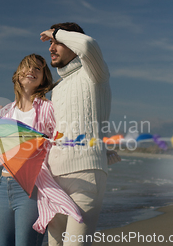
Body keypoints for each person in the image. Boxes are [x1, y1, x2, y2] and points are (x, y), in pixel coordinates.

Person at [0, 54, 76, 246]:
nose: (32, 70)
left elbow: (63, 140)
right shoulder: (7, 112)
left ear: (44, 78)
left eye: (38, 68)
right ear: (17, 75)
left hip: (32, 189)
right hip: (3, 187)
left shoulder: (48, 109)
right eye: (27, 67)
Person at [40, 22, 120, 245]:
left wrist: (56, 32)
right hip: (53, 178)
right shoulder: (55, 89)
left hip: (86, 173)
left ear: (71, 43)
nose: (51, 48)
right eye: (51, 44)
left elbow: (88, 45)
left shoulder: (95, 73)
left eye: (57, 43)